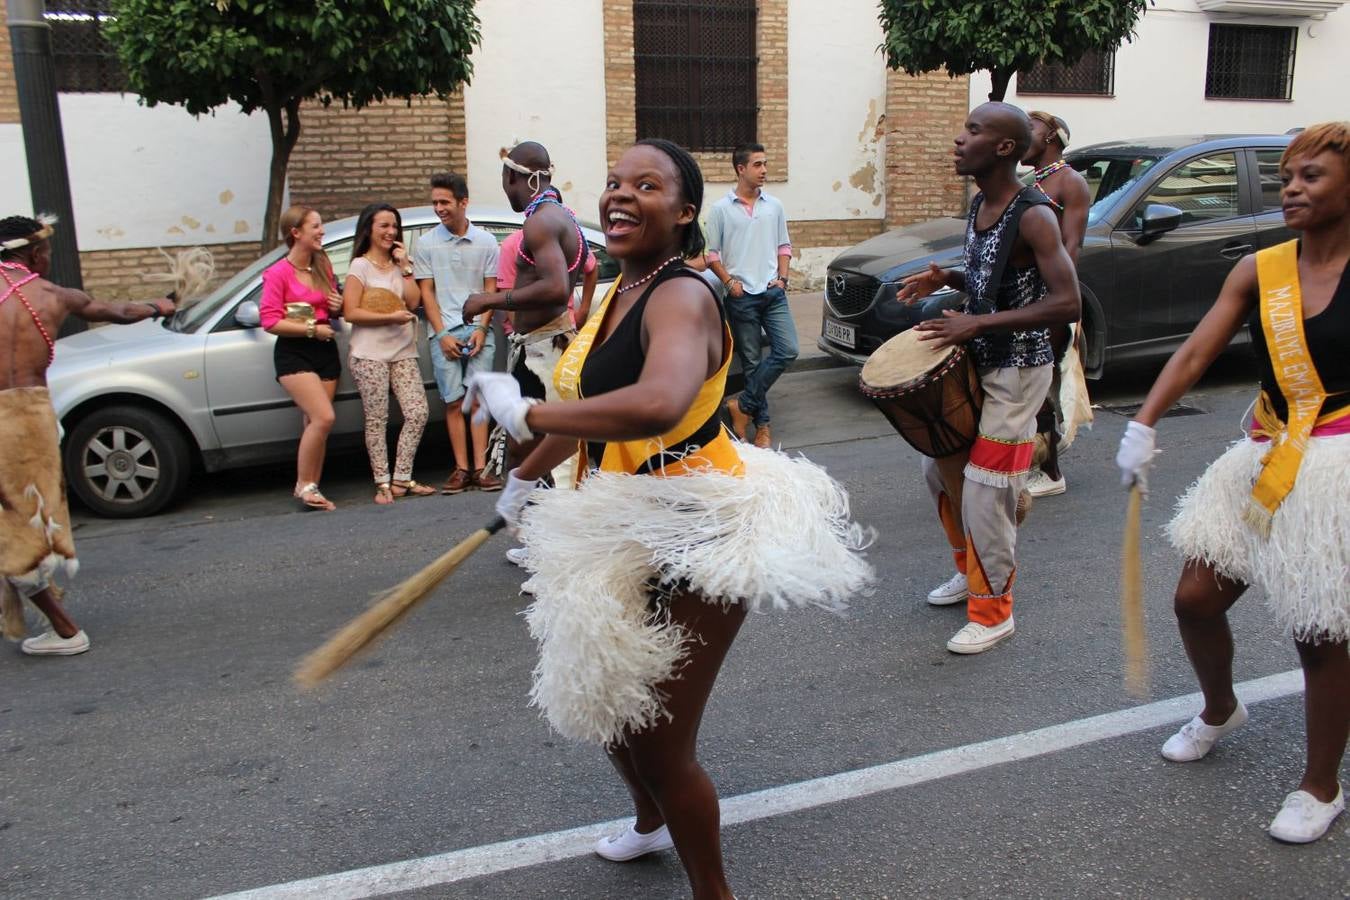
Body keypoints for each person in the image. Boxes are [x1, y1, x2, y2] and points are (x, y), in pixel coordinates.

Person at [462, 139, 871, 899]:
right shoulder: (614, 291)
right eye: (614, 181)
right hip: (620, 520)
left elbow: (660, 403)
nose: (620, 195)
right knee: (607, 698)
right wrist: (524, 476)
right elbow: (593, 413)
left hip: (698, 526)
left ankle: (713, 891)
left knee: (661, 740)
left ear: (685, 212)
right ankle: (649, 822)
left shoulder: (682, 294)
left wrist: (526, 408)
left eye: (646, 185)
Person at [1116, 122, 1349, 844]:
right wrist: (1144, 423)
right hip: (1268, 451)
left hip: (1340, 461)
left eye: (1311, 176)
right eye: (1287, 177)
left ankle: (1320, 787)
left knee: (1319, 633)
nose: (1291, 188)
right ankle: (1221, 707)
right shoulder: (1261, 269)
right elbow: (1194, 353)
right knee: (1194, 598)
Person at [898, 103, 1080, 654]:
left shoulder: (1035, 214)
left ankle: (994, 608)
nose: (959, 139)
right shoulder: (983, 202)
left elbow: (1067, 301)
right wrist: (948, 276)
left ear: (1004, 148)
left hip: (1020, 369)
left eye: (973, 131)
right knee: (939, 471)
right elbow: (993, 275)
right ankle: (970, 571)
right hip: (983, 358)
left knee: (985, 490)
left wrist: (977, 320)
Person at [0, 214, 175, 655]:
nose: (48, 260)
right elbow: (119, 312)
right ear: (34, 253)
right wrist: (161, 305)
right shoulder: (55, 296)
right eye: (47, 253)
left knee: (14, 526)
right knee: (25, 518)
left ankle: (63, 629)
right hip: (35, 417)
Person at [462, 142, 588, 487]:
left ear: (514, 177)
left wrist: (489, 300)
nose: (506, 191)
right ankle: (535, 532)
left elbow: (556, 288)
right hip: (541, 347)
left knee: (537, 454)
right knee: (527, 450)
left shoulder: (541, 223)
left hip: (544, 353)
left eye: (505, 181)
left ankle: (546, 535)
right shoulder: (564, 217)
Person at [415, 173, 503, 495]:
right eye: (435, 202)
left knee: (478, 399)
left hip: (479, 328)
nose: (439, 208)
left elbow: (491, 289)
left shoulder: (486, 242)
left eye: (445, 202)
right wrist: (441, 335)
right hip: (444, 331)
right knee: (452, 401)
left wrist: (481, 329)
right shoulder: (426, 244)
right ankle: (461, 468)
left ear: (463, 202)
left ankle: (481, 468)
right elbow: (427, 294)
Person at [707, 142, 798, 449]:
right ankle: (763, 427)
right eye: (758, 164)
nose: (764, 170)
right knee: (751, 362)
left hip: (773, 293)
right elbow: (712, 254)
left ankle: (741, 406)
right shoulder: (721, 209)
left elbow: (784, 246)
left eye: (766, 164)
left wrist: (783, 279)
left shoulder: (774, 206)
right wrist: (729, 282)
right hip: (741, 296)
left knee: (788, 350)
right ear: (741, 169)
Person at [1021, 110, 1092, 499]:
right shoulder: (1035, 181)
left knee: (1042, 384)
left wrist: (1051, 299)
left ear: (1052, 136)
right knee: (1029, 382)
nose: (1021, 134)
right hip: (1030, 297)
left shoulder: (1071, 182)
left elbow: (1071, 247)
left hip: (1049, 299)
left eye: (1029, 128)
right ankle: (1031, 460)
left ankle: (1049, 472)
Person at [342, 203, 433, 505]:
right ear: (369, 228)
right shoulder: (360, 266)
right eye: (384, 225)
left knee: (418, 412)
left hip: (402, 350)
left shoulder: (398, 266)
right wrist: (388, 318)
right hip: (369, 354)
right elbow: (350, 312)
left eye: (394, 226)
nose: (391, 232)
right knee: (377, 419)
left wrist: (406, 266)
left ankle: (402, 478)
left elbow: (413, 301)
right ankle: (382, 482)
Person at [260, 205, 343, 511]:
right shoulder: (278, 273)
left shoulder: (322, 264)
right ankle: (304, 485)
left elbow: (331, 309)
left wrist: (336, 305)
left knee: (314, 421)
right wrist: (312, 329)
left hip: (325, 351)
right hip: (294, 352)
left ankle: (313, 487)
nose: (322, 232)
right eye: (316, 227)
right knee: (324, 417)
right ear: (296, 233)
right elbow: (269, 321)